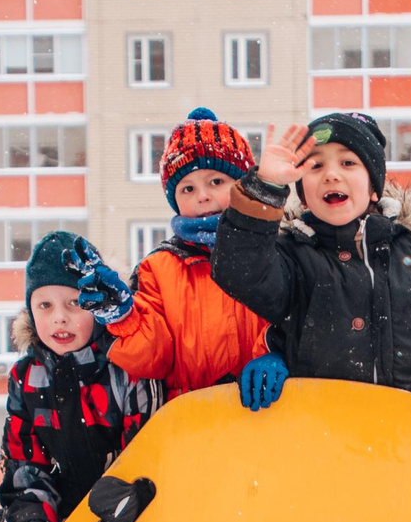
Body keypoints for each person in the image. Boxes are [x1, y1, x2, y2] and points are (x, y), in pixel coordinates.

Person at [210, 111, 411, 422]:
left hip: (408, 443)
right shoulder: (292, 256)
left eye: (347, 163)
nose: (331, 174)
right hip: (320, 440)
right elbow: (239, 271)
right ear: (303, 196)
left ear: (374, 186)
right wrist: (265, 188)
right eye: (316, 166)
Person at [81, 107, 272, 398]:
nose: (202, 195)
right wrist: (125, 319)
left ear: (241, 186)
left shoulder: (273, 249)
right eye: (187, 189)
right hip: (193, 423)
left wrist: (278, 351)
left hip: (272, 413)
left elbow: (296, 320)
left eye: (216, 182)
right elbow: (154, 358)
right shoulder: (158, 269)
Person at [0, 232, 166, 522]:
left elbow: (149, 445)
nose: (59, 317)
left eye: (74, 303)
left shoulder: (124, 365)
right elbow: (27, 466)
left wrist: (132, 497)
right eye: (44, 305)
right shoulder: (28, 378)